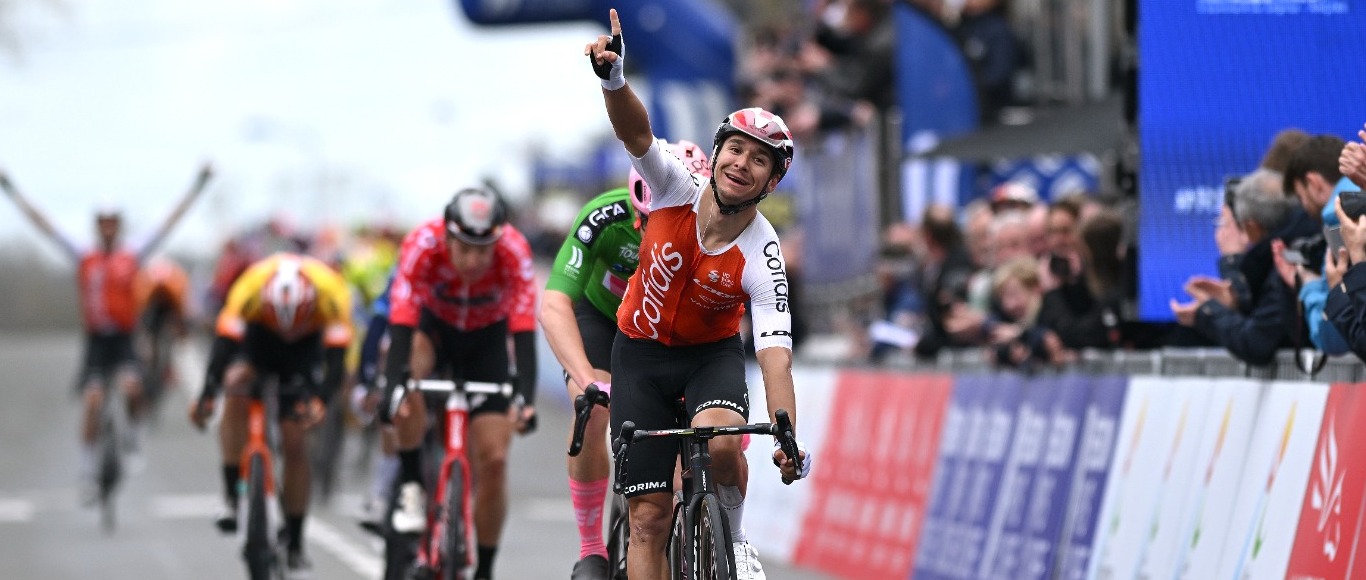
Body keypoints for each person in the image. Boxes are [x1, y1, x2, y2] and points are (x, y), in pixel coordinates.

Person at [586, 10, 811, 580]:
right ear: (717, 155)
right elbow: (636, 132)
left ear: (771, 181)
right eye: (736, 150)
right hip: (638, 355)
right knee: (649, 521)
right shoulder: (672, 187)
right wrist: (613, 79)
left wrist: (784, 428)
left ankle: (733, 541)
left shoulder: (763, 250)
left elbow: (774, 350)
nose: (742, 164)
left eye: (759, 159)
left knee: (719, 447)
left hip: (707, 358)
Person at [539, 139, 710, 579]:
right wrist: (585, 380)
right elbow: (554, 303)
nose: (657, 233)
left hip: (665, 330)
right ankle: (592, 547)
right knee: (592, 412)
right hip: (603, 319)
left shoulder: (718, 227)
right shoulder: (605, 217)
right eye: (648, 222)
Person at [0, 164, 211, 499]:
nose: (109, 229)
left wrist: (198, 186)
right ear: (97, 226)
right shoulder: (84, 254)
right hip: (97, 340)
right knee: (93, 400)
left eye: (113, 223)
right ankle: (87, 469)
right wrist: (11, 192)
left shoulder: (133, 253)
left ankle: (133, 439)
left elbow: (169, 222)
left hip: (126, 337)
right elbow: (44, 226)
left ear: (120, 226)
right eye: (103, 223)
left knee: (133, 387)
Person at [376, 187, 539, 580]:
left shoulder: (514, 251)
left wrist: (525, 399)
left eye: (483, 251)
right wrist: (393, 386)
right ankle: (413, 483)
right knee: (408, 379)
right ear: (446, 236)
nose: (473, 260)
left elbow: (523, 330)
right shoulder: (421, 244)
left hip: (487, 342)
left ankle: (483, 568)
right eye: (464, 248)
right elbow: (401, 319)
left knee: (495, 460)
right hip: (435, 334)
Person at [189, 252, 353, 574]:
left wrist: (319, 400)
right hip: (258, 339)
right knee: (235, 387)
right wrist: (207, 395)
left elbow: (337, 362)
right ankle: (233, 494)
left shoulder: (331, 292)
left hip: (305, 348)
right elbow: (223, 346)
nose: (287, 329)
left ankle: (294, 537)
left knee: (295, 440)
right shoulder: (248, 288)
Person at [1170, 168, 1316, 365]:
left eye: (1228, 222)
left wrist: (1207, 312)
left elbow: (1258, 341)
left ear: (1251, 226)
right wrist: (1237, 299)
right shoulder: (1298, 246)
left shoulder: (1286, 261)